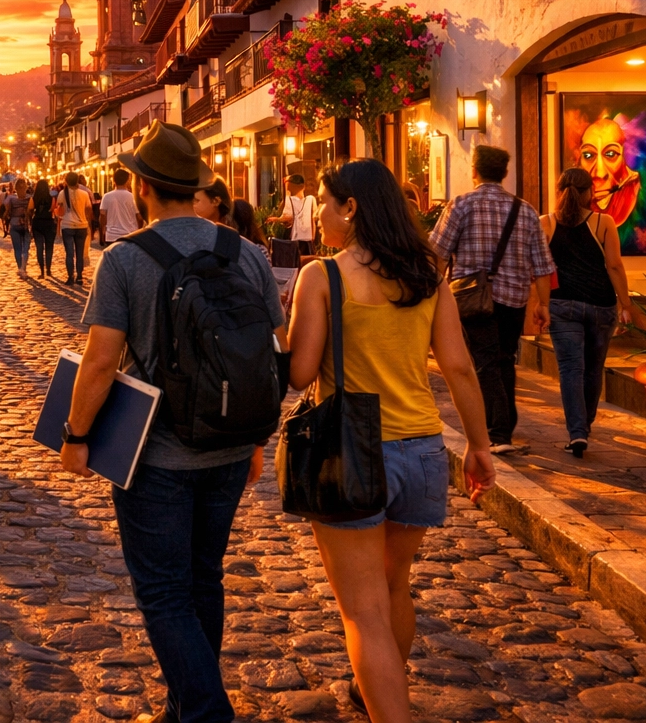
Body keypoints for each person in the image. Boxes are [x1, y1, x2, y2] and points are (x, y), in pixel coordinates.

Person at [61, 122, 287, 723]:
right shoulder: (248, 253)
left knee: (163, 591)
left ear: (143, 187)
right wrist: (258, 436)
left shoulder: (124, 260)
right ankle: (184, 703)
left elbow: (102, 360)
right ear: (197, 187)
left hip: (154, 456)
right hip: (230, 445)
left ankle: (206, 710)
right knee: (203, 578)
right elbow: (269, 347)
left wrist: (77, 434)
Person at [286, 159, 495, 723]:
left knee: (363, 613)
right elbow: (459, 366)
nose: (320, 214)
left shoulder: (321, 276)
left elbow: (301, 373)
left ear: (350, 208)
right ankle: (376, 690)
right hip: (423, 448)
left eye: (326, 203)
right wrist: (479, 446)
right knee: (394, 586)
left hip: (354, 452)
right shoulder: (428, 273)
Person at [430, 145, 555, 453]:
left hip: (472, 298)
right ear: (505, 174)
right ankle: (504, 425)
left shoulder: (460, 205)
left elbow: (437, 255)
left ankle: (498, 433)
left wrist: (433, 294)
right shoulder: (524, 210)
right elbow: (542, 265)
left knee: (485, 361)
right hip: (513, 300)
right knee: (504, 358)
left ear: (474, 170)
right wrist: (542, 304)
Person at [541, 168, 641, 457]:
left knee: (571, 369)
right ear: (588, 193)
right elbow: (614, 265)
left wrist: (540, 304)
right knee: (593, 369)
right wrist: (626, 304)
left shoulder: (545, 224)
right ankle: (585, 425)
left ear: (559, 192)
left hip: (562, 306)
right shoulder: (604, 222)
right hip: (601, 306)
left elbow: (539, 269)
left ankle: (577, 432)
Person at [268, 174, 318, 254]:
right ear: (303, 187)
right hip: (309, 241)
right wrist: (313, 238)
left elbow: (287, 217)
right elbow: (313, 219)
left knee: (297, 263)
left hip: (296, 240)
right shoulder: (311, 199)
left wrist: (276, 219)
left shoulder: (289, 200)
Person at [59, 171, 93, 285]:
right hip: (81, 225)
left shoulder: (62, 194)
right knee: (79, 253)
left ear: (66, 181)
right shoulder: (84, 194)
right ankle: (79, 276)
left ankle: (70, 277)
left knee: (69, 253)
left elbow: (60, 210)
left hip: (67, 225)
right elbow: (89, 209)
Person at [101, 168, 141, 243]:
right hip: (130, 235)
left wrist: (102, 232)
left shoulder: (106, 196)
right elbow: (139, 217)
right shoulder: (133, 197)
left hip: (111, 236)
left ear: (114, 180)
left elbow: (102, 216)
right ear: (127, 181)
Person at [30, 178, 57, 278]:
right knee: (49, 248)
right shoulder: (52, 198)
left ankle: (42, 271)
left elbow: (30, 209)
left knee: (39, 248)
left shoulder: (33, 198)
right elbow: (52, 210)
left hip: (37, 223)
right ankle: (48, 269)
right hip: (49, 223)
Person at [5, 178, 33, 274]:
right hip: (26, 224)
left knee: (17, 248)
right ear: (26, 187)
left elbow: (6, 210)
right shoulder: (30, 198)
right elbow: (31, 211)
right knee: (25, 248)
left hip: (14, 223)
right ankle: (23, 268)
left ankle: (19, 267)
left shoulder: (10, 198)